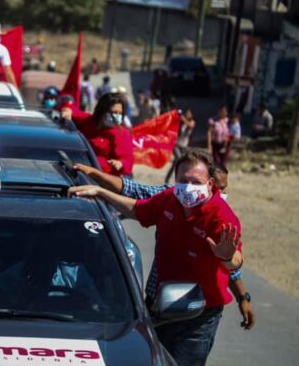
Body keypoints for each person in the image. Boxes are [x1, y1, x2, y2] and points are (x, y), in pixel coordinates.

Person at [69, 150, 244, 365]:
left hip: (198, 316)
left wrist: (226, 257)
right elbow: (137, 209)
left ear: (209, 184)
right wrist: (100, 192)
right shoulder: (170, 198)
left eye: (195, 181)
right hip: (159, 307)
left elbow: (235, 261)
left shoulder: (221, 216)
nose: (188, 187)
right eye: (183, 180)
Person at [62, 92, 134, 176]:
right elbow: (71, 109)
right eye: (113, 112)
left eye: (120, 113)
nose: (117, 116)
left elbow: (128, 160)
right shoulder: (88, 121)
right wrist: (68, 111)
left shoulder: (122, 133)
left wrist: (120, 163)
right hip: (79, 171)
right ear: (102, 111)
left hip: (102, 177)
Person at [165, 108, 195, 183]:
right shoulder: (180, 122)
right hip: (176, 145)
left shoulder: (192, 122)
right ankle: (177, 179)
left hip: (184, 146)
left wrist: (182, 118)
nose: (187, 115)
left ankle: (169, 178)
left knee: (176, 163)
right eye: (186, 113)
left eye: (189, 113)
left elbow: (190, 125)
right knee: (179, 158)